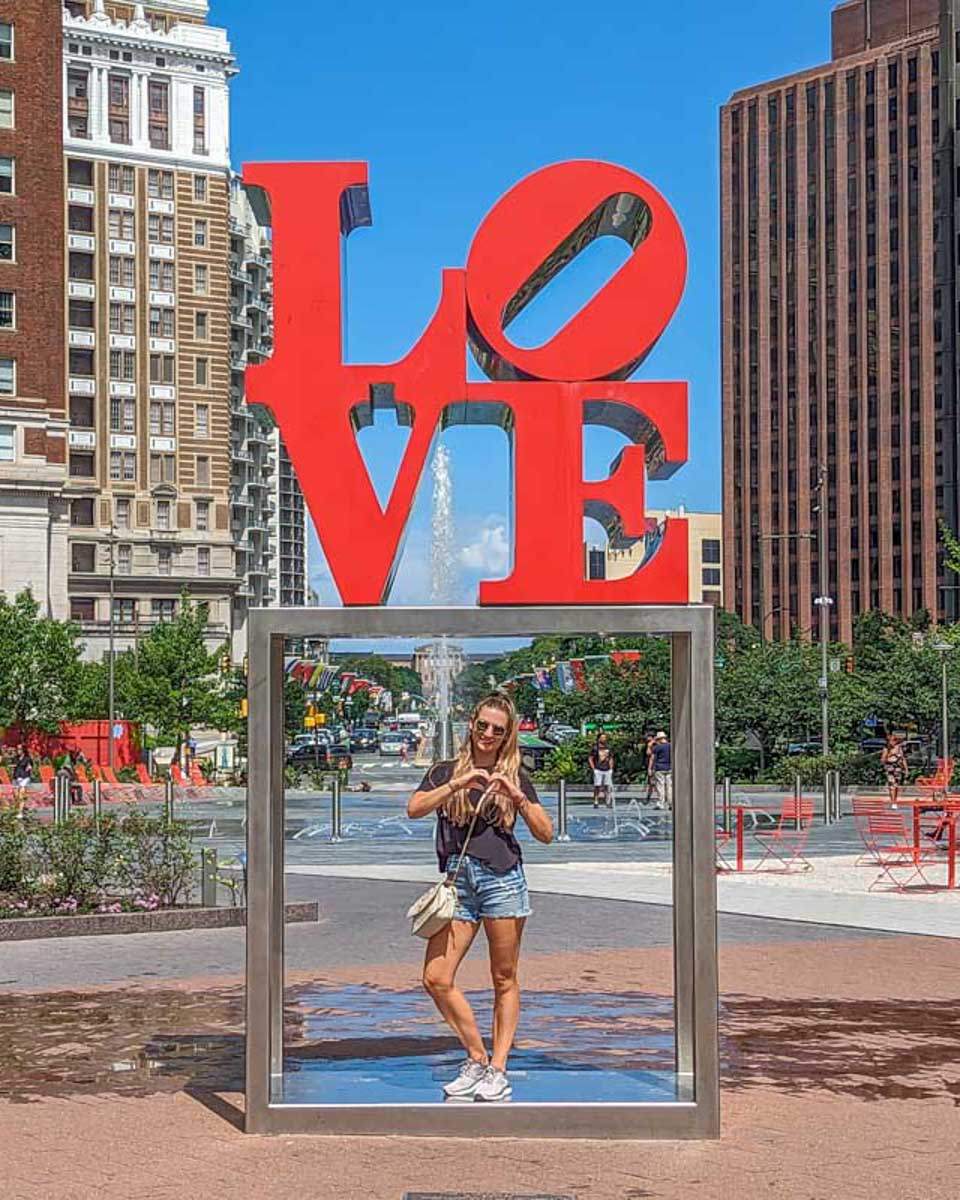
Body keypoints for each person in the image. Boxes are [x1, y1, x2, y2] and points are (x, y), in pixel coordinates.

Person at [407, 692, 554, 1103]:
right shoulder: (444, 771)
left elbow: (546, 833)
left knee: (503, 977)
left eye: (498, 730)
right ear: (471, 724)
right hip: (459, 883)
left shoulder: (515, 775)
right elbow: (414, 808)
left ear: (507, 736)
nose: (488, 734)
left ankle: (498, 1068)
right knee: (436, 977)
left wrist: (516, 795)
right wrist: (458, 783)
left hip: (502, 880)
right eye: (483, 725)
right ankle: (476, 1056)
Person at [588, 732, 615, 808]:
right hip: (598, 769)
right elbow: (590, 758)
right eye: (602, 737)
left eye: (605, 737)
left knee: (607, 786)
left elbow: (610, 758)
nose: (604, 739)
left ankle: (608, 801)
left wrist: (611, 768)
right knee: (597, 786)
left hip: (607, 769)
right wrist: (593, 768)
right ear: (599, 739)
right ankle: (596, 801)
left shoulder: (608, 748)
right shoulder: (595, 748)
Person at [881, 732, 907, 807]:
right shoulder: (886, 749)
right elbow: (882, 760)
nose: (892, 742)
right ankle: (893, 802)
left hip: (898, 767)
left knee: (896, 785)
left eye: (894, 740)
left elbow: (903, 759)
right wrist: (890, 754)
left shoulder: (898, 748)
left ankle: (895, 800)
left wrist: (906, 769)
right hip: (890, 767)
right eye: (891, 741)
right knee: (892, 784)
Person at [651, 731, 673, 810]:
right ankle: (671, 803)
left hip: (659, 768)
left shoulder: (657, 747)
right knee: (669, 786)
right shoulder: (671, 746)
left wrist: (650, 768)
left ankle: (661, 803)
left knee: (660, 786)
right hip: (669, 768)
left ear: (659, 739)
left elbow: (652, 758)